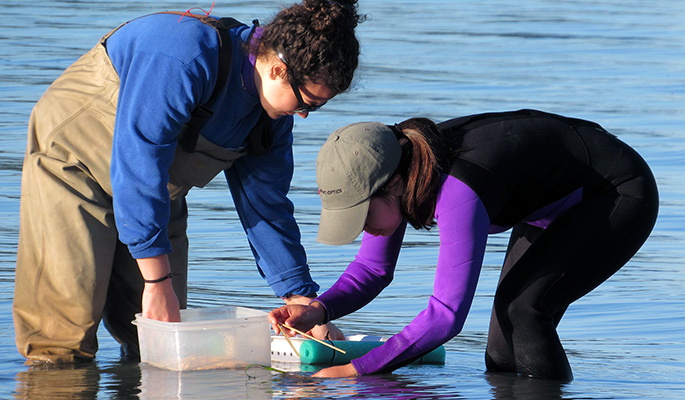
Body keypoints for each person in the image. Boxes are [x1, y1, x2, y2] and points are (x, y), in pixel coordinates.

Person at [14, 0, 363, 364]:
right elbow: (140, 161)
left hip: (156, 193)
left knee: (161, 344)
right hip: (76, 168)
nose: (305, 114)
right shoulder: (184, 55)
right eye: (309, 102)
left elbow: (268, 208)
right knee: (62, 343)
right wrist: (156, 281)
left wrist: (301, 300)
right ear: (277, 68)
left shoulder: (273, 116)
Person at [269, 109, 659, 379]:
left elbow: (446, 316)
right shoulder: (403, 167)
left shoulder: (459, 190)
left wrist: (357, 371)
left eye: (360, 215)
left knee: (524, 311)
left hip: (617, 192)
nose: (361, 229)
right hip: (551, 201)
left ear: (392, 184)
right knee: (504, 349)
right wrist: (319, 310)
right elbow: (373, 270)